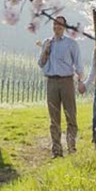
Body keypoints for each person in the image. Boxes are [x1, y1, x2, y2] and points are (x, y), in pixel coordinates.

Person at [38, 16, 85, 158]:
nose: (57, 27)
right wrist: (45, 51)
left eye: (60, 24)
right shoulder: (47, 42)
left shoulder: (71, 44)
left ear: (64, 27)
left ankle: (71, 147)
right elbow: (40, 63)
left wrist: (81, 81)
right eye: (54, 24)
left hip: (66, 81)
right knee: (54, 117)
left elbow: (79, 64)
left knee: (70, 114)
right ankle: (57, 150)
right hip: (51, 81)